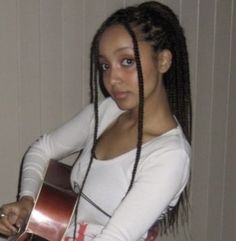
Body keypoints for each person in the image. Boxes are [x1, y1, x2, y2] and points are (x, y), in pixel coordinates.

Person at [0, 1, 192, 241]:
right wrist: (28, 202)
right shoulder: (107, 111)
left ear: (163, 61)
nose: (112, 78)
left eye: (127, 62)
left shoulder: (170, 155)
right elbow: (42, 148)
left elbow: (115, 237)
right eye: (105, 65)